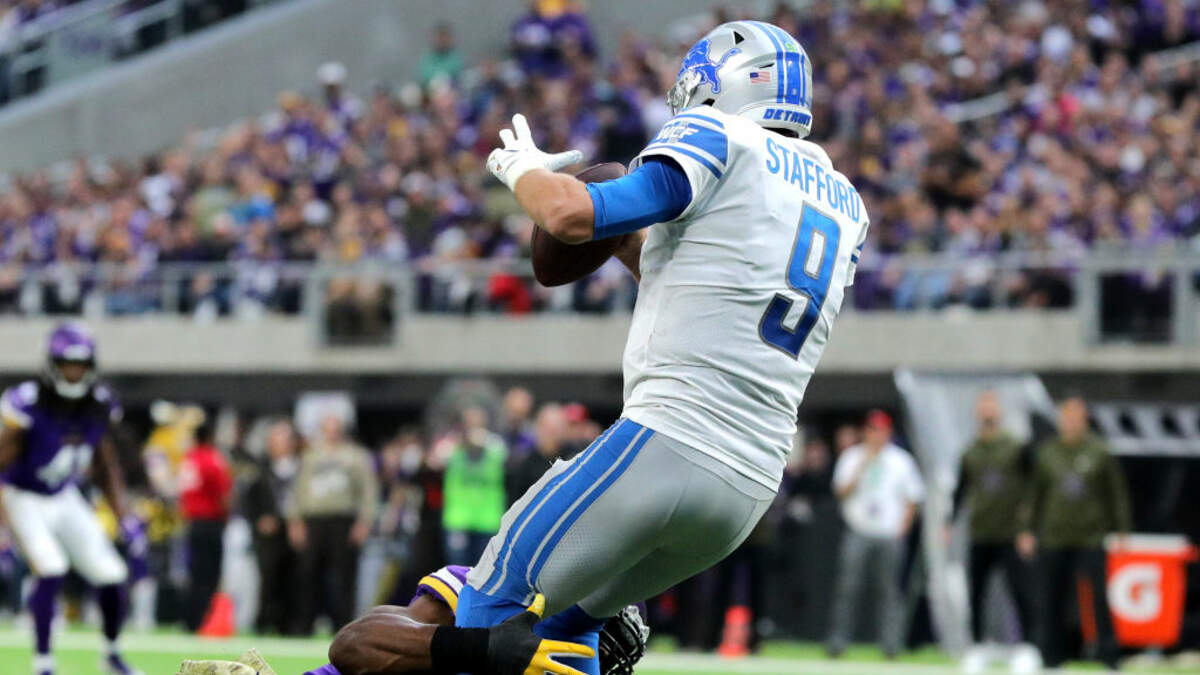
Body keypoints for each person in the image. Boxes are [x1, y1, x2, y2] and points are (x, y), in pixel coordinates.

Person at [470, 20, 868, 675]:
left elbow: (570, 215)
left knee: (489, 610)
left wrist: (523, 172)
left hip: (667, 440)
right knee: (568, 631)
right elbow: (709, 285)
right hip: (748, 485)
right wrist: (631, 249)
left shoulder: (720, 135)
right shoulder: (842, 198)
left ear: (725, 86)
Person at [0, 323, 145, 675]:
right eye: (67, 364)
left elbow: (105, 465)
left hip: (64, 494)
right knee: (51, 568)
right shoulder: (28, 403)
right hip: (23, 495)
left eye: (80, 365)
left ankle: (111, 654)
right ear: (52, 364)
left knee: (112, 574)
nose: (74, 372)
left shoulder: (99, 404)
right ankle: (43, 662)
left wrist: (124, 515)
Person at [1019, 397, 1131, 670]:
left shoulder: (1099, 451)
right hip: (1054, 536)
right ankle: (1051, 656)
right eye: (1066, 417)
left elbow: (1116, 493)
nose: (1070, 422)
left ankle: (1108, 655)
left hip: (1090, 536)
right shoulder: (1047, 453)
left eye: (1075, 417)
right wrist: (1026, 529)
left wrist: (1122, 528)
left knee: (1098, 597)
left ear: (1084, 420)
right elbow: (1034, 494)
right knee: (1051, 597)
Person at [826, 410, 924, 658]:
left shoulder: (901, 460)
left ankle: (890, 645)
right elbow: (841, 491)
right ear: (865, 431)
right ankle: (838, 642)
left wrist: (903, 528)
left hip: (889, 534)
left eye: (880, 430)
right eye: (871, 429)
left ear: (888, 432)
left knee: (889, 591)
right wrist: (862, 466)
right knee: (848, 588)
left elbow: (913, 498)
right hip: (858, 530)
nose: (876, 434)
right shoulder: (852, 457)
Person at [951, 391, 1033, 643]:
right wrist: (949, 522)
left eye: (991, 405)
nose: (987, 411)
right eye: (983, 406)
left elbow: (1032, 488)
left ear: (999, 411)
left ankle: (1029, 645)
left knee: (1020, 590)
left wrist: (1027, 528)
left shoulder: (1015, 447)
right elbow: (961, 490)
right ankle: (976, 644)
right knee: (976, 591)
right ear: (977, 412)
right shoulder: (970, 451)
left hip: (1010, 532)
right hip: (980, 531)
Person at [288, 414, 378, 632]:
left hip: (343, 519)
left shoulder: (356, 456)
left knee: (344, 574)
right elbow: (298, 489)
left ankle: (344, 624)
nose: (332, 433)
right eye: (328, 428)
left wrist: (365, 521)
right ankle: (305, 623)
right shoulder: (310, 456)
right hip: (314, 519)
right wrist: (295, 521)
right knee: (308, 573)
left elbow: (368, 490)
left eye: (335, 428)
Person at [243, 419, 299, 635]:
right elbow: (248, 501)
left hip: (295, 530)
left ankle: (289, 624)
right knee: (268, 577)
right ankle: (263, 621)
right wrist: (260, 519)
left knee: (295, 578)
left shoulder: (302, 467)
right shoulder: (260, 470)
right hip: (268, 534)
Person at [179, 421, 233, 632]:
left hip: (192, 522)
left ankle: (189, 620)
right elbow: (223, 494)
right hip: (210, 523)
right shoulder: (212, 459)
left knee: (194, 573)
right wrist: (226, 517)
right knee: (210, 575)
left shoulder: (189, 459)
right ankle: (205, 620)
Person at [442, 406, 507, 566]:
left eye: (478, 423)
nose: (474, 427)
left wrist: (481, 441)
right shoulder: (452, 445)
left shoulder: (495, 444)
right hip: (458, 520)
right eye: (470, 423)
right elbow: (436, 457)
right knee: (457, 570)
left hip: (488, 520)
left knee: (485, 570)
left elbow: (505, 454)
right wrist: (462, 441)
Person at [508, 403, 567, 504]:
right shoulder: (524, 465)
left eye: (556, 428)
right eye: (548, 428)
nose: (551, 434)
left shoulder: (573, 458)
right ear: (538, 428)